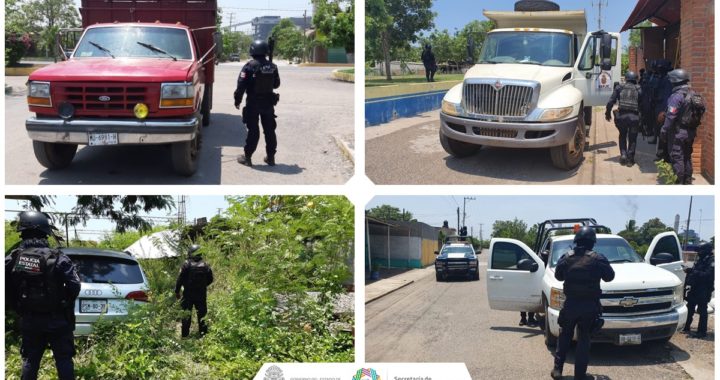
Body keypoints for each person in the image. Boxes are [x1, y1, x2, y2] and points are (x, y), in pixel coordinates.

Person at [5, 211, 80, 380]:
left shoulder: (13, 258)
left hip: (30, 319)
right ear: (46, 233)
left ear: (22, 233)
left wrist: (18, 307)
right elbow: (74, 285)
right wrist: (64, 303)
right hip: (58, 320)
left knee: (30, 360)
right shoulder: (58, 257)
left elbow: (6, 287)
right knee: (64, 360)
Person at [551, 226, 615, 380]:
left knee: (564, 336)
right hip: (589, 306)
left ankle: (557, 370)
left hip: (570, 305)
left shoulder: (566, 257)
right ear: (593, 242)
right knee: (584, 339)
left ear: (576, 240)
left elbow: (558, 276)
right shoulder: (598, 258)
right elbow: (610, 277)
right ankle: (580, 375)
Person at [234, 39, 281, 167]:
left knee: (253, 130)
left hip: (253, 103)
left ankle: (247, 158)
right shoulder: (273, 66)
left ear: (253, 50)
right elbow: (276, 85)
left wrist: (237, 100)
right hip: (268, 104)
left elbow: (241, 86)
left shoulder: (250, 66)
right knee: (270, 131)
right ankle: (271, 158)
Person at [660, 68, 705, 184]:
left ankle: (678, 182)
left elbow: (670, 116)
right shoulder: (695, 94)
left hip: (678, 133)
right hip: (690, 132)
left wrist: (664, 130)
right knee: (687, 156)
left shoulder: (676, 96)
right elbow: (702, 110)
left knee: (677, 157)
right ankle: (687, 180)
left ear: (675, 81)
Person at [175, 244, 214, 337]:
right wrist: (203, 286)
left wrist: (177, 291)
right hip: (201, 294)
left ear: (190, 253)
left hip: (188, 294)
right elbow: (211, 279)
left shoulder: (186, 264)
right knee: (202, 315)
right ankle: (203, 335)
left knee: (186, 315)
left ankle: (185, 336)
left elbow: (180, 279)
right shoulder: (205, 265)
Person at [606, 71, 642, 166]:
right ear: (636, 79)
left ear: (625, 78)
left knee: (622, 135)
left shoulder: (619, 88)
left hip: (621, 117)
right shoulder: (639, 89)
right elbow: (644, 105)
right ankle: (630, 159)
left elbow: (610, 102)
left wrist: (608, 113)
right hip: (634, 118)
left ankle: (623, 155)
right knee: (632, 138)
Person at [683, 242, 714, 338]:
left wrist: (693, 272)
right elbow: (696, 271)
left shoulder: (712, 261)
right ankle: (686, 327)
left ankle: (701, 332)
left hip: (704, 289)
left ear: (706, 250)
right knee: (690, 307)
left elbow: (708, 275)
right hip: (695, 287)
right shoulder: (701, 259)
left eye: (700, 250)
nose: (698, 253)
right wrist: (689, 271)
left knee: (702, 310)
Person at [650, 60, 673, 160]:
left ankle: (663, 155)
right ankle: (662, 154)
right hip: (658, 106)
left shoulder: (667, 80)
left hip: (663, 109)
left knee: (663, 133)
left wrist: (663, 111)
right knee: (660, 132)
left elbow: (667, 96)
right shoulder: (662, 78)